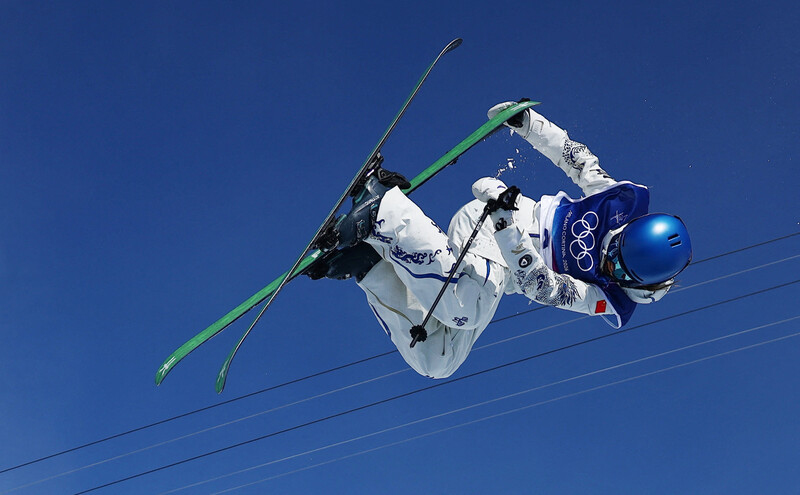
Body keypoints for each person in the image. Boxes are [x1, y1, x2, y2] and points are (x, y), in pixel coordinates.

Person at [307, 102, 692, 379]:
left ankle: (368, 263)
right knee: (466, 309)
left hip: (505, 245)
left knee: (438, 360)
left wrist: (507, 226)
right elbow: (575, 159)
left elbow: (542, 287)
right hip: (488, 224)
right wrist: (528, 123)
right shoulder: (619, 201)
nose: (610, 263)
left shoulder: (609, 300)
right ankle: (384, 211)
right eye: (617, 250)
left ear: (641, 286)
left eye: (620, 270)